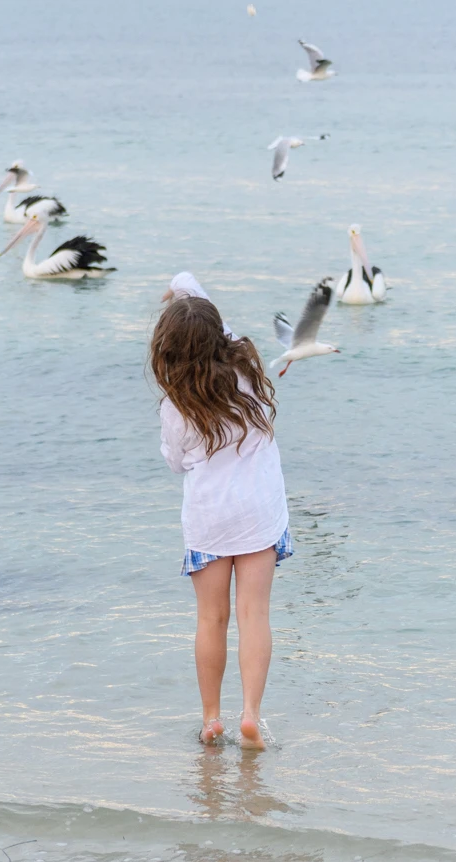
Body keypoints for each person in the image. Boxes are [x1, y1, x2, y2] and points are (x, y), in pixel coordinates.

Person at [152, 274, 292, 749]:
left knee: (211, 619)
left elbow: (175, 463)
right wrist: (179, 286)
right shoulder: (248, 372)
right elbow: (201, 300)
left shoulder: (178, 403)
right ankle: (250, 714)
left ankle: (212, 719)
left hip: (211, 520)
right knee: (255, 615)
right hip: (258, 514)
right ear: (220, 335)